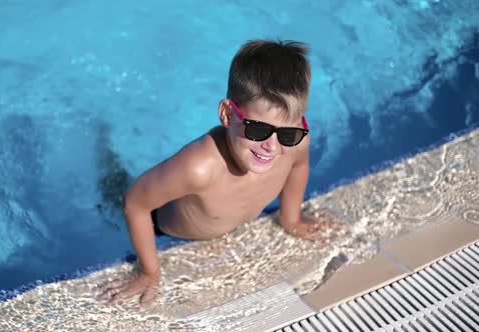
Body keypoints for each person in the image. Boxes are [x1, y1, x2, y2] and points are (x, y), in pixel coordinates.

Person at [99, 39, 336, 306]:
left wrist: (290, 219)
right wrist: (149, 271)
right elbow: (135, 202)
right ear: (226, 114)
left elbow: (299, 165)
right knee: (110, 194)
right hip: (160, 226)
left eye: (288, 132)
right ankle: (103, 148)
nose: (272, 146)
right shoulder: (199, 167)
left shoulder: (295, 143)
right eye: (258, 129)